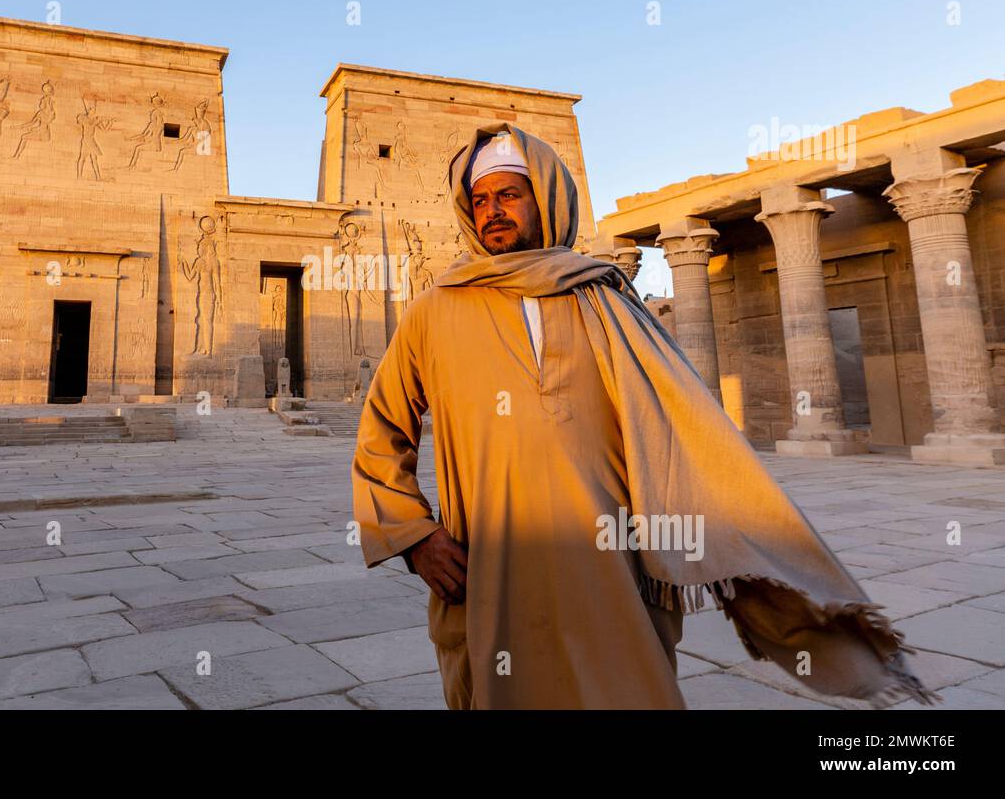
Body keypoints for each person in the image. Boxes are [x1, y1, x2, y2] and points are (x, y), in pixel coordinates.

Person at [350, 122, 937, 709]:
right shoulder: (433, 311)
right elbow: (383, 430)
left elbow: (684, 427)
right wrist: (413, 535)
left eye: (509, 194)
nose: (492, 212)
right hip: (491, 566)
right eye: (480, 200)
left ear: (547, 197)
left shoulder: (606, 297)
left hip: (614, 561)